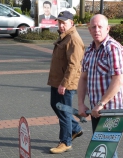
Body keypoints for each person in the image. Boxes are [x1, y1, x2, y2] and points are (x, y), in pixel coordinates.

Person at [77, 14, 123, 158]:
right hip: (96, 110)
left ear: (108, 28)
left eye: (100, 27)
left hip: (112, 111)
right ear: (89, 30)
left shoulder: (114, 49)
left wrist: (101, 103)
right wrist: (81, 103)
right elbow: (83, 78)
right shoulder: (89, 51)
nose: (97, 30)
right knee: (103, 151)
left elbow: (118, 79)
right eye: (93, 27)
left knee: (107, 151)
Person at [47, 11, 85, 154]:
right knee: (56, 106)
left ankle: (65, 142)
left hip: (66, 83)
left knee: (63, 112)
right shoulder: (65, 37)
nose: (61, 25)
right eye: (60, 22)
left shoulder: (73, 39)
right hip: (57, 81)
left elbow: (74, 66)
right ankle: (75, 129)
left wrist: (64, 84)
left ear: (71, 23)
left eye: (64, 23)